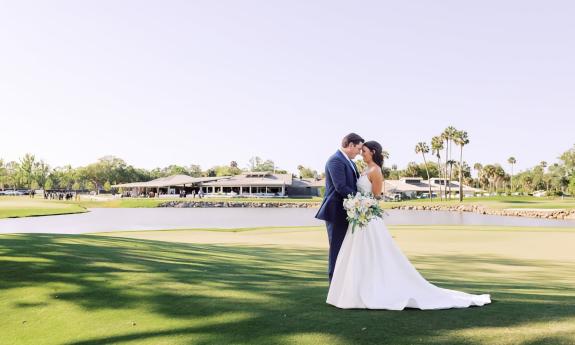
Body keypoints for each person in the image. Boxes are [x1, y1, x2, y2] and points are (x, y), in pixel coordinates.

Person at [326, 140, 491, 310]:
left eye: (365, 150)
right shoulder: (363, 169)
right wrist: (358, 205)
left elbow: (376, 196)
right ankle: (356, 289)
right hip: (360, 218)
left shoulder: (376, 171)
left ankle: (376, 289)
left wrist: (363, 204)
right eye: (361, 150)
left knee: (375, 253)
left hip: (368, 217)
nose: (362, 153)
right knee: (358, 254)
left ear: (373, 152)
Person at [315, 133, 364, 283]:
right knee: (336, 250)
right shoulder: (335, 160)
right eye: (358, 148)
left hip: (347, 211)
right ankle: (334, 288)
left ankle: (344, 286)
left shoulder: (350, 162)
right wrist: (362, 200)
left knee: (346, 250)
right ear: (350, 145)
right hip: (336, 212)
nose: (360, 152)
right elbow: (341, 187)